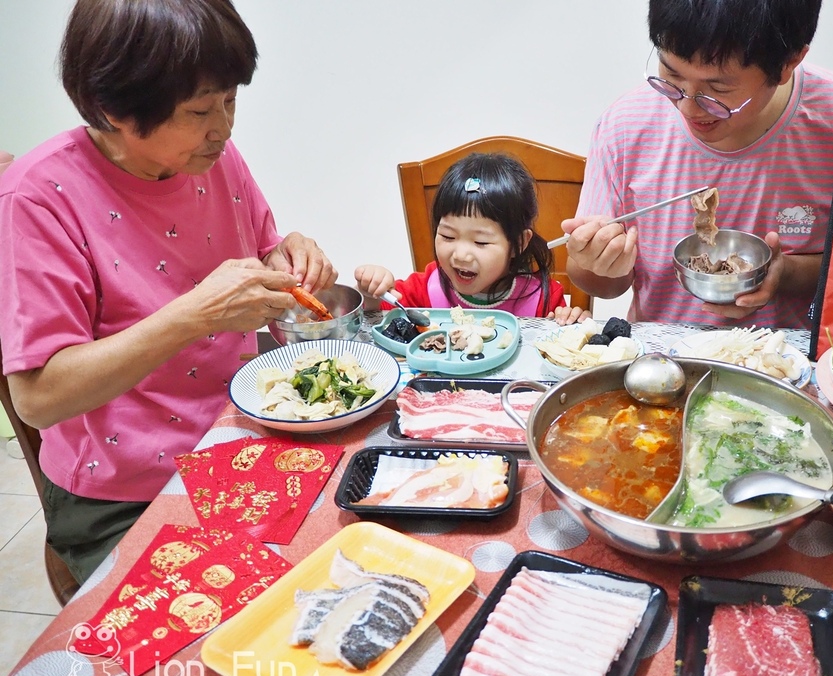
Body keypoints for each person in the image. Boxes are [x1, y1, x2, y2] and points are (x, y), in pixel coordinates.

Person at [0, 0, 338, 584]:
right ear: (114, 110)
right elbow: (36, 397)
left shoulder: (212, 156)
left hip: (237, 434)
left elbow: (260, 251)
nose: (225, 128)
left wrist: (288, 253)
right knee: (226, 628)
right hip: (123, 491)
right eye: (200, 110)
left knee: (354, 547)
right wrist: (192, 315)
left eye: (231, 100)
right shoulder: (37, 198)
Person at [563, 0, 833, 329]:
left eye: (717, 89)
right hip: (664, 365)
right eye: (671, 74)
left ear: (789, 62)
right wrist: (599, 263)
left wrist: (786, 275)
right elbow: (598, 282)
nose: (687, 107)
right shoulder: (625, 127)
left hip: (791, 367)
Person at [356, 153, 589, 324]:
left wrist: (572, 322)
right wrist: (372, 295)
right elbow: (379, 319)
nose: (461, 254)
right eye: (448, 236)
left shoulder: (542, 299)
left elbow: (560, 339)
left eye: (480, 242)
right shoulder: (425, 288)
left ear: (518, 243)